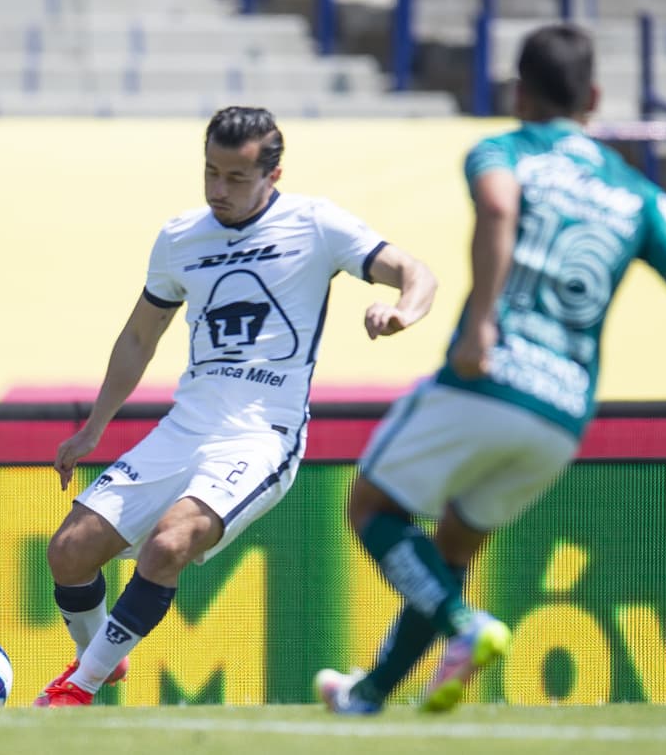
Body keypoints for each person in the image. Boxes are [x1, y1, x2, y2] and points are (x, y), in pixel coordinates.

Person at [314, 23, 666, 715]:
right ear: (596, 96)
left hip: (491, 376)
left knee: (371, 507)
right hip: (565, 412)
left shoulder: (504, 151)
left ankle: (465, 629)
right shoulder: (639, 194)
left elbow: (497, 204)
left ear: (518, 92)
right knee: (453, 544)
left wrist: (482, 322)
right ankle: (370, 694)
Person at [34, 105, 438, 707]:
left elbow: (414, 269)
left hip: (261, 436)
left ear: (272, 176)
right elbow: (140, 337)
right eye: (210, 173)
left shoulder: (316, 224)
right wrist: (95, 427)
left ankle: (80, 687)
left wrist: (403, 308)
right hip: (185, 427)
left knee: (168, 546)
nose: (218, 190)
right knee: (67, 552)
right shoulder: (179, 238)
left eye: (235, 178)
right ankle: (100, 660)